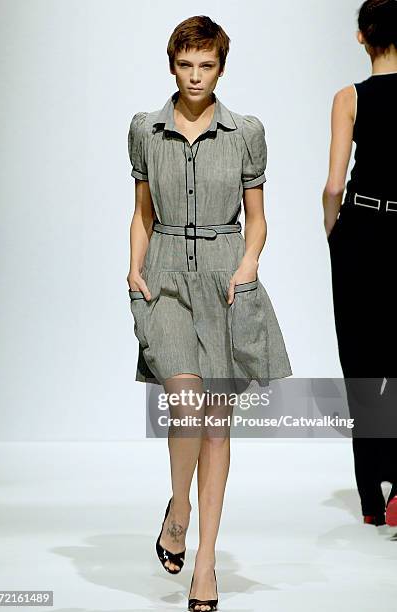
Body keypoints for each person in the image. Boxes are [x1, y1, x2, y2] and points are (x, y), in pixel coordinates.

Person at [127, 15, 292, 611]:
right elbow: (142, 210)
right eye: (186, 64)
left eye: (207, 65)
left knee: (215, 421)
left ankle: (205, 561)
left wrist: (249, 264)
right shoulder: (145, 128)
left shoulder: (246, 131)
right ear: (172, 64)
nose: (195, 76)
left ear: (221, 68)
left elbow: (258, 215)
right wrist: (134, 269)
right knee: (186, 404)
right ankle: (179, 505)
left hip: (225, 280)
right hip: (165, 277)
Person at [323, 0, 397, 528]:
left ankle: (372, 500)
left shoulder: (349, 98)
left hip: (361, 232)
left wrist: (335, 232)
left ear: (360, 38)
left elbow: (333, 184)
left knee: (362, 366)